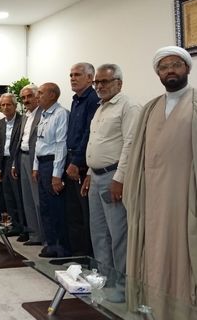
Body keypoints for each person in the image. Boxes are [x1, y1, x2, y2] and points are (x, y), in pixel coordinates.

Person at [124, 46, 197, 318]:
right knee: (152, 248)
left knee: (183, 252)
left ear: (187, 68)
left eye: (176, 65)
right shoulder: (150, 108)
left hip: (186, 196)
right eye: (164, 67)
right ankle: (152, 306)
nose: (170, 71)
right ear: (158, 73)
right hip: (151, 196)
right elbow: (136, 153)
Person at [80, 64, 140, 280]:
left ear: (119, 83)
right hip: (96, 177)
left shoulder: (129, 107)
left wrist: (119, 179)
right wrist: (89, 173)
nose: (99, 86)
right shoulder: (101, 107)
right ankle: (104, 280)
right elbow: (96, 143)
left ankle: (122, 286)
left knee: (118, 234)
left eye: (104, 81)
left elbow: (131, 145)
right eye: (96, 82)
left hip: (113, 177)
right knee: (98, 232)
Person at [65, 62, 99, 256]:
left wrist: (76, 162)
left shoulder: (93, 100)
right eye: (71, 75)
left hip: (82, 164)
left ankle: (87, 257)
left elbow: (89, 133)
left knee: (86, 214)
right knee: (74, 212)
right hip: (71, 159)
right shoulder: (76, 100)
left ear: (90, 78)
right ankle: (77, 254)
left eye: (77, 75)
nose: (73, 78)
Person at [32, 83, 69, 258]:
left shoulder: (61, 114)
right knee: (45, 208)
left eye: (40, 93)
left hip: (53, 164)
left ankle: (61, 248)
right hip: (42, 163)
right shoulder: (44, 114)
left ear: (52, 95)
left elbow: (61, 144)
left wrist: (56, 174)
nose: (37, 96)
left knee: (56, 209)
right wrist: (35, 167)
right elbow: (39, 143)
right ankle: (51, 244)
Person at [11, 84, 45, 246]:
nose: (26, 100)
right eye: (23, 97)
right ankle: (34, 235)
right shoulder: (25, 116)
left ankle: (45, 237)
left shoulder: (43, 114)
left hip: (36, 160)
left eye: (29, 96)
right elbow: (20, 141)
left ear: (37, 96)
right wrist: (14, 163)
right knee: (28, 200)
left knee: (38, 199)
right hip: (22, 158)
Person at [0, 93, 26, 240]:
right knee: (8, 196)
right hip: (5, 162)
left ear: (15, 106)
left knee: (19, 196)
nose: (6, 107)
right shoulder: (1, 122)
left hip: (17, 162)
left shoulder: (22, 121)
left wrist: (15, 164)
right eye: (3, 105)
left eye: (9, 104)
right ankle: (15, 225)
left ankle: (24, 229)